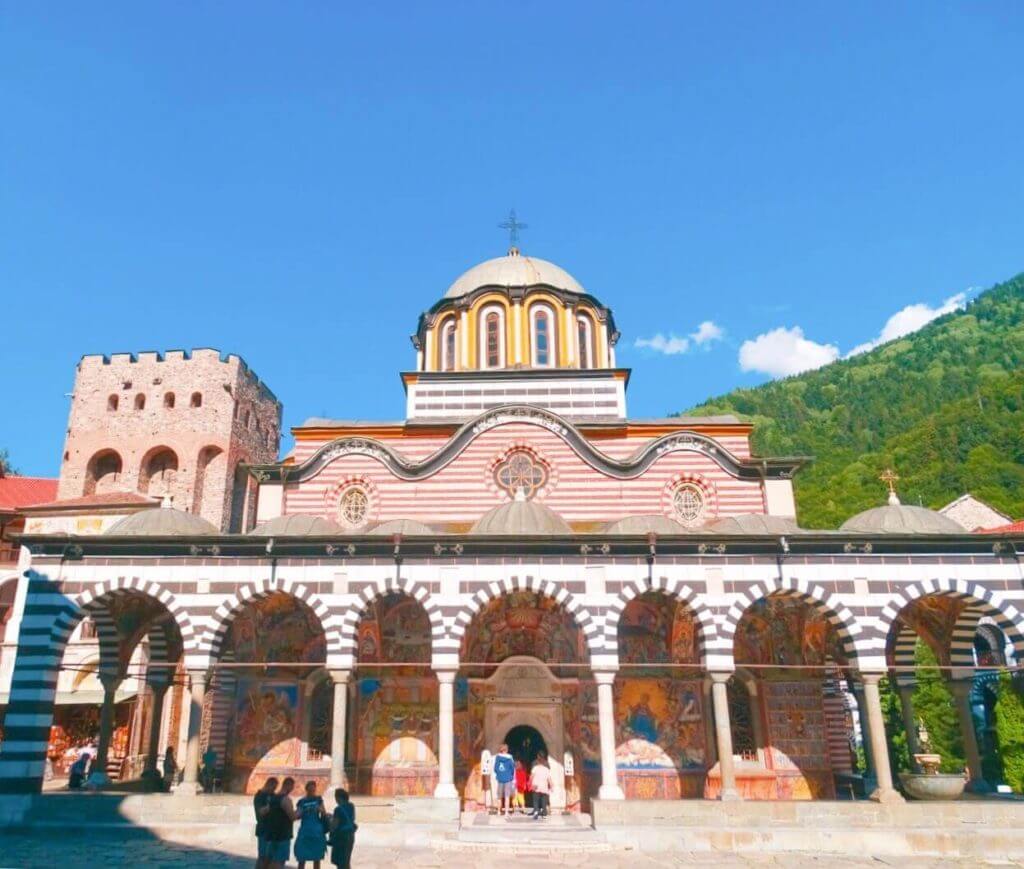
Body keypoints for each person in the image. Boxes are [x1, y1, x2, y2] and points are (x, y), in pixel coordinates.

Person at [264, 776, 298, 869]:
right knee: (279, 861)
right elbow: (293, 817)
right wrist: (300, 811)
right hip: (283, 835)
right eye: (292, 787)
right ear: (288, 785)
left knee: (269, 860)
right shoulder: (286, 800)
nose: (292, 789)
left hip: (272, 834)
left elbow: (266, 811)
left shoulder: (272, 798)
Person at [294, 780, 327, 869]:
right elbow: (297, 815)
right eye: (310, 789)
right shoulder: (302, 801)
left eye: (313, 789)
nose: (312, 791)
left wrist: (321, 810)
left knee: (316, 857)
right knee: (302, 856)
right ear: (307, 789)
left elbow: (324, 813)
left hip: (316, 830)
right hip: (305, 830)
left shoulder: (319, 799)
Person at [253, 777, 279, 869]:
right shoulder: (259, 796)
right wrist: (270, 806)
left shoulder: (272, 795)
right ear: (268, 784)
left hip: (272, 830)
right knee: (262, 856)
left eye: (275, 788)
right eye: (273, 788)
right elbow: (260, 812)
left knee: (270, 857)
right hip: (263, 829)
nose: (274, 790)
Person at [329, 788, 356, 869]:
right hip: (350, 835)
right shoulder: (351, 806)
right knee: (346, 860)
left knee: (340, 862)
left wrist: (329, 820)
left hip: (341, 837)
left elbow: (334, 826)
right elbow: (350, 819)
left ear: (339, 798)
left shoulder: (338, 809)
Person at [492, 742, 515, 817]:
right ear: (507, 750)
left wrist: (499, 774)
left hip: (500, 779)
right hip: (508, 779)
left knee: (499, 797)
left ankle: (499, 811)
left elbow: (495, 768)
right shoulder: (510, 758)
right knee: (507, 796)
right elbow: (512, 768)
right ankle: (506, 812)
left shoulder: (497, 757)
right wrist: (510, 775)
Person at [529, 754, 553, 820]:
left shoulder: (535, 768)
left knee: (535, 800)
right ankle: (544, 813)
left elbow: (531, 776)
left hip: (536, 786)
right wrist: (551, 786)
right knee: (543, 801)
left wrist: (530, 783)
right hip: (544, 787)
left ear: (538, 762)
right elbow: (549, 779)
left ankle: (536, 811)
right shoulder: (546, 769)